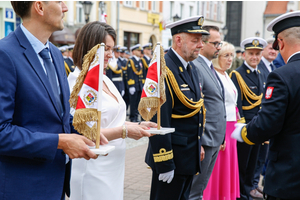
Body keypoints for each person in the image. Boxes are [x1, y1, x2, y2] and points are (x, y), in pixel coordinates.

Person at [0, 2, 102, 199]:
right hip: (23, 189)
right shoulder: (5, 54)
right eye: (59, 1)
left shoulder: (55, 54)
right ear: (39, 7)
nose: (65, 7)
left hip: (56, 185)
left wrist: (86, 131)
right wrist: (60, 142)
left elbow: (57, 118)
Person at [68, 21, 155, 200]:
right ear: (90, 46)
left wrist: (138, 125)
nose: (111, 55)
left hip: (113, 163)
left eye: (112, 49)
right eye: (106, 49)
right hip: (92, 166)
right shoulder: (75, 82)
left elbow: (113, 118)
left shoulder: (105, 79)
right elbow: (83, 133)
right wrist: (125, 131)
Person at [232, 10, 300, 200]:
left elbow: (267, 124)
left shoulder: (281, 75)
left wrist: (242, 132)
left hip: (289, 176)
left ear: (281, 42)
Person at [145, 15, 208, 200]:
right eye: (195, 40)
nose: (201, 45)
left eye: (201, 41)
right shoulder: (162, 68)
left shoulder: (191, 67)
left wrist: (199, 145)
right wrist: (164, 163)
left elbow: (195, 111)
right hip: (172, 159)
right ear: (179, 40)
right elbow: (158, 120)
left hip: (188, 157)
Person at [189, 25, 227, 200]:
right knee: (195, 190)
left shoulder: (210, 66)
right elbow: (197, 106)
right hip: (206, 138)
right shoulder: (196, 66)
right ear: (202, 44)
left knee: (200, 187)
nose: (219, 47)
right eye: (216, 43)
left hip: (214, 137)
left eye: (220, 43)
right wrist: (200, 141)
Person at [230, 37, 267, 200]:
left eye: (258, 54)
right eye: (251, 54)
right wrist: (241, 125)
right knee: (243, 162)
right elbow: (237, 102)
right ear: (244, 55)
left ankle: (250, 187)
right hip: (245, 126)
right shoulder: (237, 74)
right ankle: (241, 191)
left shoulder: (259, 73)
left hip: (257, 124)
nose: (255, 57)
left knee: (254, 160)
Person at [202, 41, 240, 200]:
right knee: (217, 168)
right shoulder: (214, 75)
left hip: (232, 125)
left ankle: (224, 195)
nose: (230, 59)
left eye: (231, 55)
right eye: (226, 55)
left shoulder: (226, 75)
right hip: (221, 126)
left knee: (227, 168)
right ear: (217, 57)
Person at [253, 38, 278, 195]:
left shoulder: (273, 67)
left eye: (275, 49)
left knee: (263, 155)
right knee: (256, 156)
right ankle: (252, 184)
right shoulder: (260, 67)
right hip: (258, 118)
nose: (272, 51)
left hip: (268, 118)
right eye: (269, 48)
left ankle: (255, 183)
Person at [126, 44, 144, 122]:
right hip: (134, 85)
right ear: (133, 52)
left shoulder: (139, 60)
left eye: (140, 51)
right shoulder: (131, 61)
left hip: (139, 85)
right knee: (133, 103)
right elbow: (129, 74)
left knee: (138, 102)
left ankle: (136, 116)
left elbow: (141, 74)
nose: (140, 52)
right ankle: (132, 117)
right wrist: (131, 85)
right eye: (138, 50)